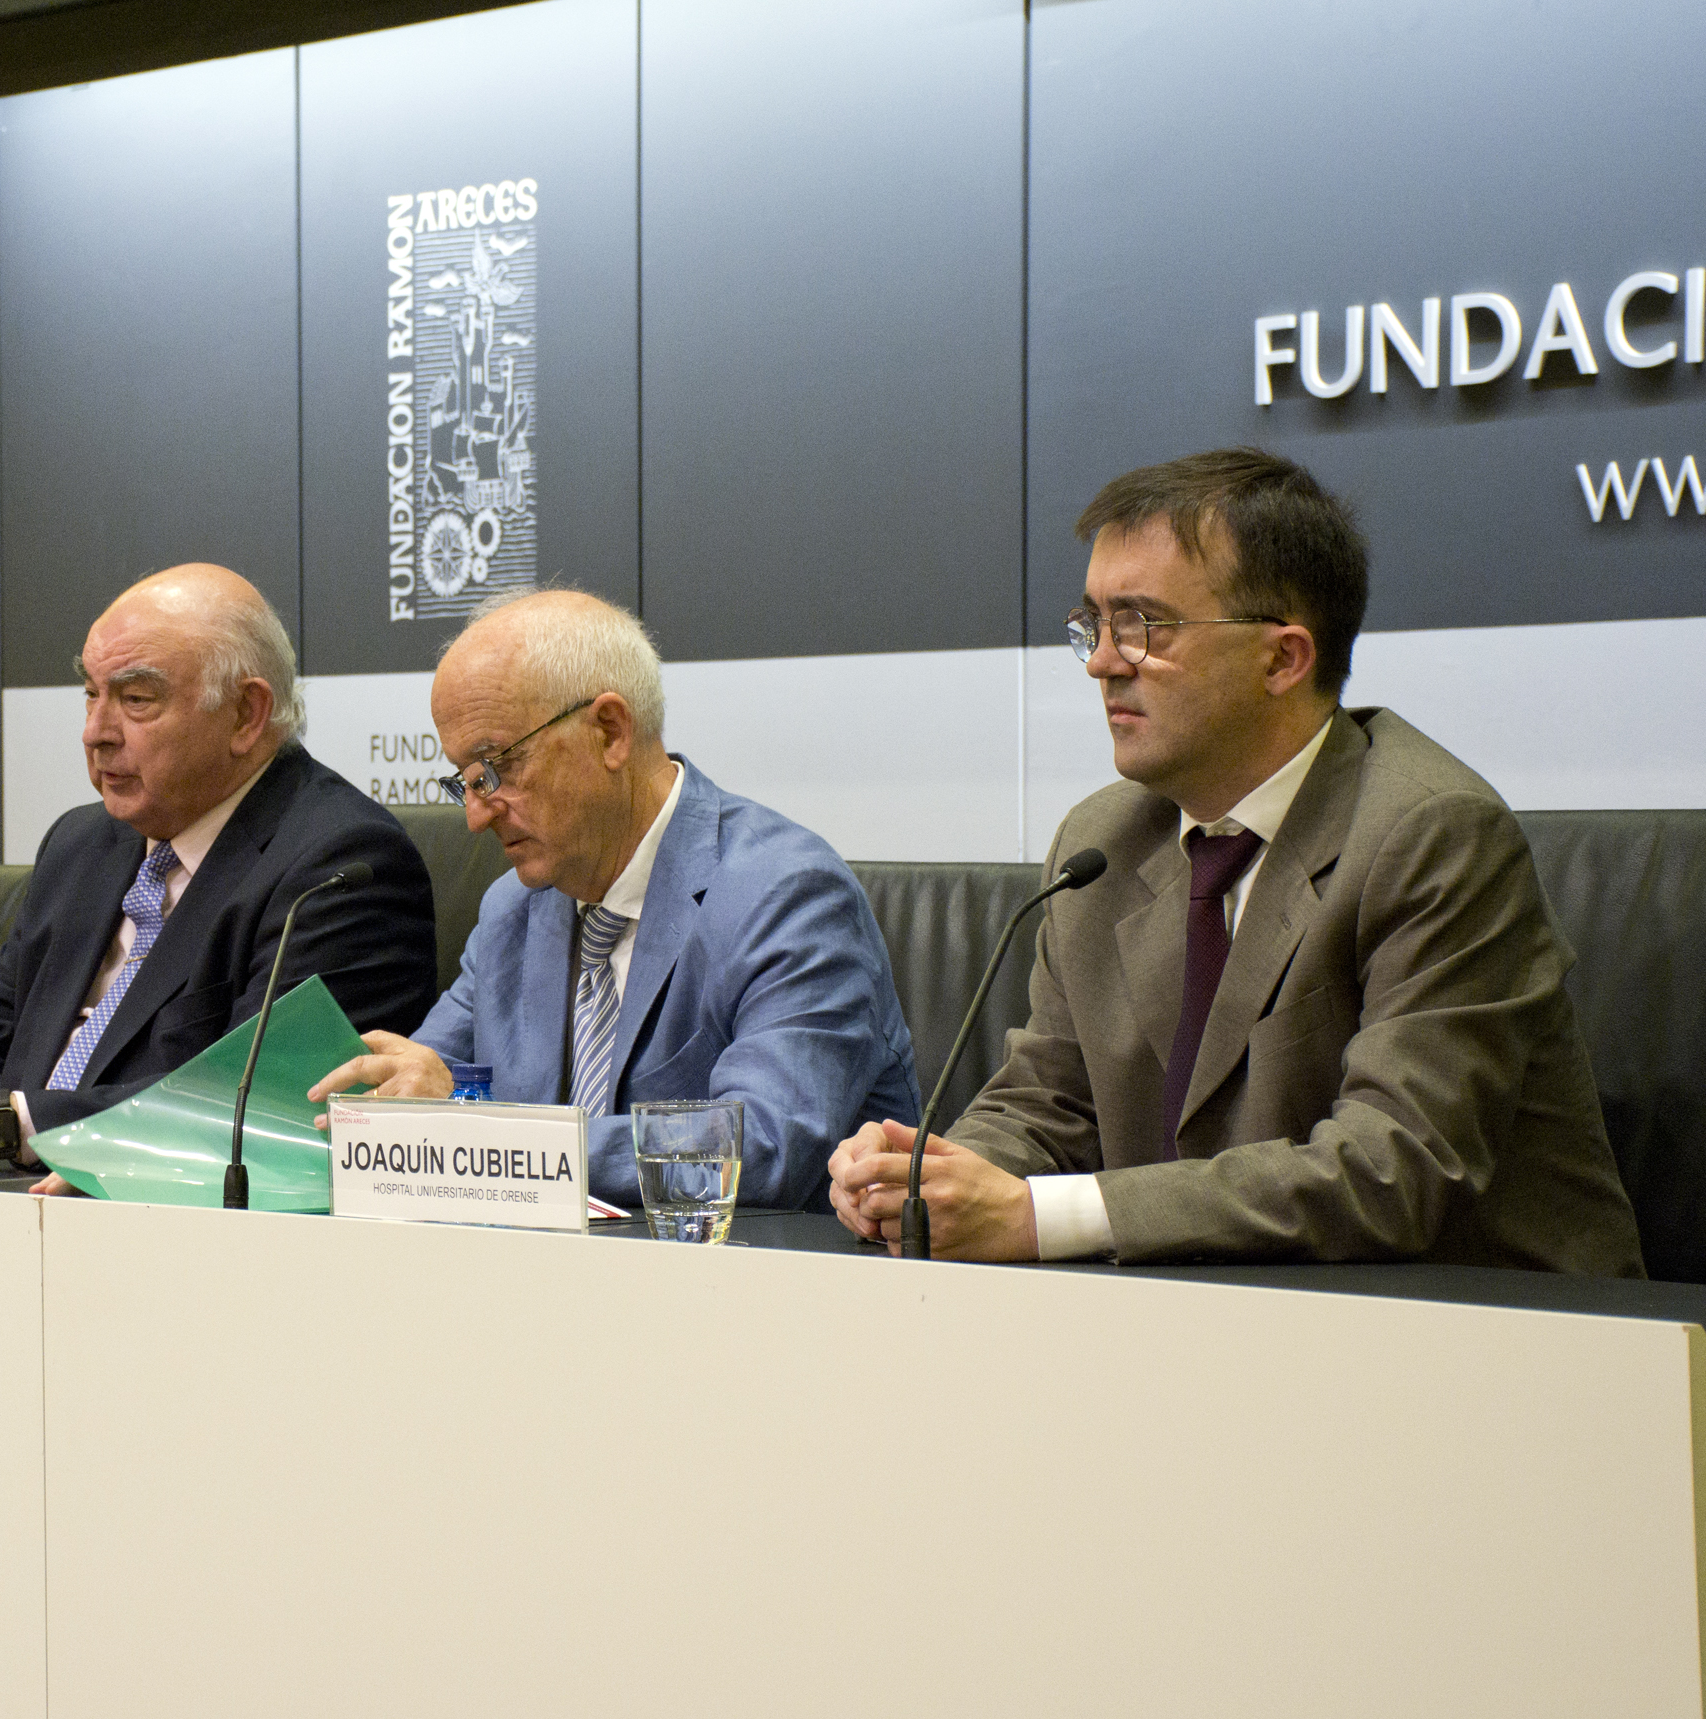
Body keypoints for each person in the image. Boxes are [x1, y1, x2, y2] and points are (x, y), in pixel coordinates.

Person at [828, 448, 1643, 1273]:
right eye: (1093, 625)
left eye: (1142, 626)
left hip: (1491, 1323)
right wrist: (924, 1183)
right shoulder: (1101, 842)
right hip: (1215, 1313)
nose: (1103, 661)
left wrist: (1040, 1216)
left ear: (1282, 658)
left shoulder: (1430, 835)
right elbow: (1046, 1106)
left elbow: (1392, 1167)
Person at [308, 588, 920, 1209]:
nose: (475, 815)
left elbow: (760, 1147)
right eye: (463, 781)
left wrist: (480, 1132)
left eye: (496, 769)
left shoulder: (787, 895)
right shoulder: (511, 911)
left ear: (610, 732)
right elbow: (421, 1088)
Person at [0, 563, 438, 1155]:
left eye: (136, 699)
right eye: (91, 694)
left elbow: (259, 1104)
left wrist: (11, 1127)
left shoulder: (341, 866)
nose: (95, 732)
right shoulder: (79, 844)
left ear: (246, 715)